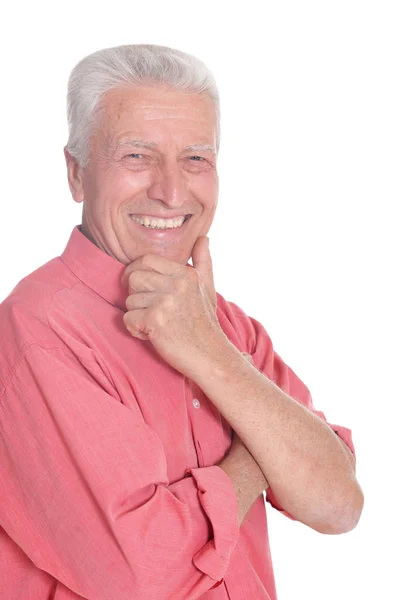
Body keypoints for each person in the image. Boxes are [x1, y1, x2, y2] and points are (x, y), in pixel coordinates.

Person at [0, 44, 363, 600]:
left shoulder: (224, 324)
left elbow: (338, 504)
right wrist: (260, 451)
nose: (171, 191)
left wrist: (212, 355)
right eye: (137, 157)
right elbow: (142, 577)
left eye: (195, 158)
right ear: (76, 174)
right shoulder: (35, 336)